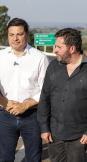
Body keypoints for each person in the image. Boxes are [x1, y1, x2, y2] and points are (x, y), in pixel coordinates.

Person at [0, 18, 49, 162]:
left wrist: (25, 105)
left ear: (27, 35)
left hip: (32, 116)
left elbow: (46, 90)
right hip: (6, 116)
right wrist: (5, 103)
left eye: (19, 34)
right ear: (8, 35)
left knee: (33, 158)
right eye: (11, 34)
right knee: (4, 158)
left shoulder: (40, 58)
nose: (15, 38)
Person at [37, 28, 87, 162]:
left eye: (59, 47)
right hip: (54, 135)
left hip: (79, 137)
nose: (55, 50)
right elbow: (44, 98)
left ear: (72, 49)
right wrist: (44, 128)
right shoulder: (53, 66)